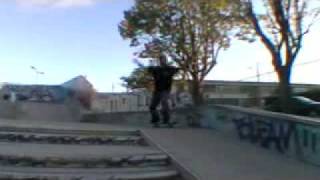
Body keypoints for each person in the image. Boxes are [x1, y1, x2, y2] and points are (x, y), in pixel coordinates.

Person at [148, 55, 179, 127]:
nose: (162, 61)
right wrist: (151, 67)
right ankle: (156, 121)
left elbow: (176, 70)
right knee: (152, 107)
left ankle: (167, 120)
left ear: (166, 60)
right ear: (159, 61)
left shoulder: (169, 69)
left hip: (165, 90)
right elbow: (149, 70)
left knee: (164, 102)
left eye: (163, 60)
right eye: (161, 60)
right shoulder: (157, 69)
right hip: (157, 90)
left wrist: (177, 69)